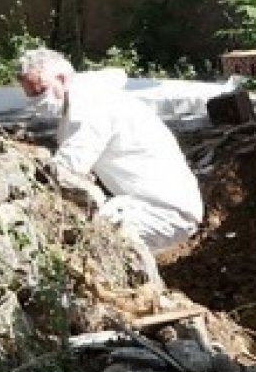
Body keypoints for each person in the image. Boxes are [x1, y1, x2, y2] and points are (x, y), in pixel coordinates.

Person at [17, 47, 205, 253]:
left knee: (100, 238)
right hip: (151, 205)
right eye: (31, 96)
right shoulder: (84, 103)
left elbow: (68, 167)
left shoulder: (92, 107)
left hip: (164, 211)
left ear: (62, 78)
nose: (37, 101)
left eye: (40, 91)